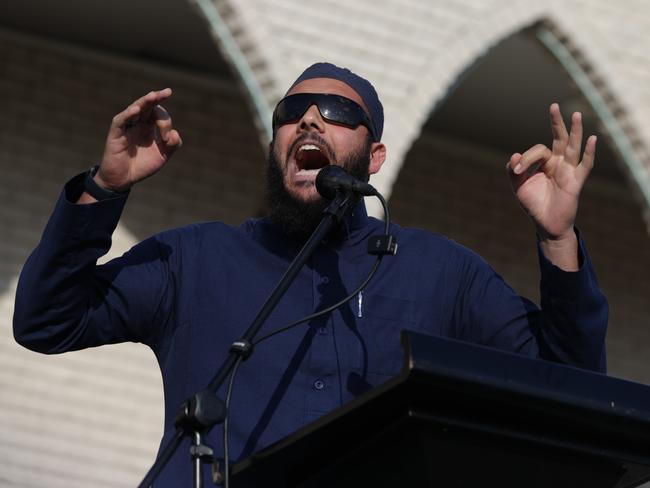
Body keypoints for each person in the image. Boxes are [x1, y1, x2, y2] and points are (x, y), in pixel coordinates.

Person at [13, 63, 607, 485]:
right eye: (291, 112)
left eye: (339, 113)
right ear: (275, 143)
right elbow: (46, 319)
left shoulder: (439, 271)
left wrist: (557, 237)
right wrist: (105, 187)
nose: (310, 122)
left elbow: (572, 386)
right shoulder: (197, 259)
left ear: (374, 156)